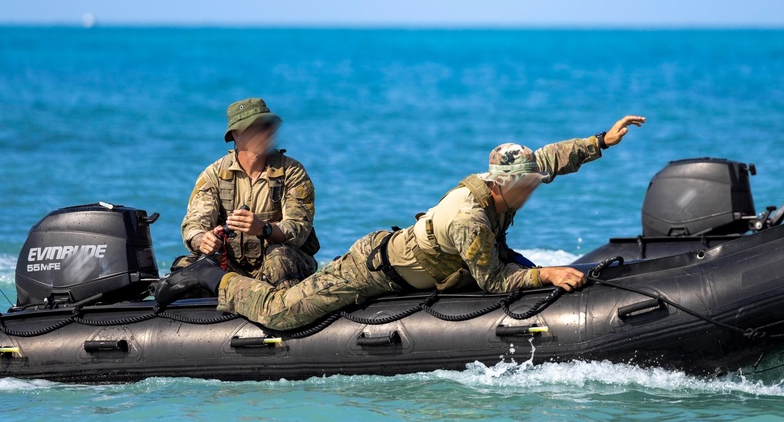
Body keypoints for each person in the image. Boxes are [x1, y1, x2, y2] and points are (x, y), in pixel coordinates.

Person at [158, 116, 646, 325]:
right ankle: (212, 280)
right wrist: (547, 273)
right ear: (503, 184)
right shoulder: (470, 218)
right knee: (283, 313)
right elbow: (494, 281)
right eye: (529, 186)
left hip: (424, 260)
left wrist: (602, 140)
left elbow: (548, 158)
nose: (535, 189)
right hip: (370, 267)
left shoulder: (507, 178)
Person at [177, 97, 319, 286]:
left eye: (269, 126)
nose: (266, 133)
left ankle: (289, 310)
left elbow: (298, 229)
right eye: (257, 127)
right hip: (234, 265)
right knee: (186, 268)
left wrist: (264, 229)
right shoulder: (214, 175)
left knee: (278, 257)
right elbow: (194, 224)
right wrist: (204, 239)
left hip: (285, 263)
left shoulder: (292, 172)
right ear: (237, 134)